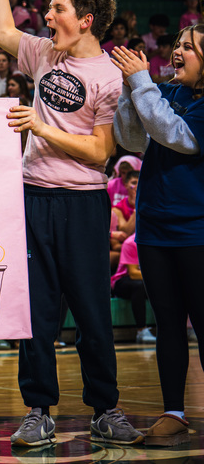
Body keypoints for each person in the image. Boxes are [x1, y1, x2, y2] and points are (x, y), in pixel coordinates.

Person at [0, 0, 143, 447]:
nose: (48, 16)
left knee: (92, 310)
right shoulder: (45, 54)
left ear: (86, 19)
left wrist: (40, 127)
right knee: (36, 312)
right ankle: (38, 410)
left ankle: (105, 409)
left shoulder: (109, 75)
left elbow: (101, 151)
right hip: (33, 196)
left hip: (82, 204)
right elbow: (3, 34)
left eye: (57, 9)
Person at [111, 29, 204, 447]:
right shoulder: (163, 89)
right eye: (179, 45)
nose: (178, 52)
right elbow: (132, 139)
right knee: (166, 324)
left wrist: (142, 85)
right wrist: (130, 91)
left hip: (195, 230)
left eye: (189, 47)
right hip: (153, 229)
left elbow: (177, 136)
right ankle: (174, 412)